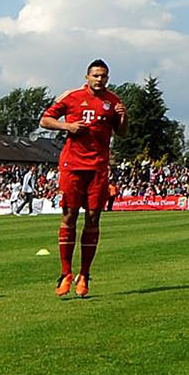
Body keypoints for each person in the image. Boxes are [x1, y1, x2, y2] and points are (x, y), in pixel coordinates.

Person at [40, 60, 126, 298]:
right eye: (96, 75)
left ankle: (85, 275)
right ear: (87, 77)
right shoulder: (72, 97)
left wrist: (123, 117)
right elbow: (44, 120)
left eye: (104, 76)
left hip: (98, 167)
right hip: (72, 165)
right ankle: (65, 273)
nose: (100, 80)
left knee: (92, 217)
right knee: (68, 215)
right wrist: (67, 126)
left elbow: (122, 132)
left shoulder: (113, 101)